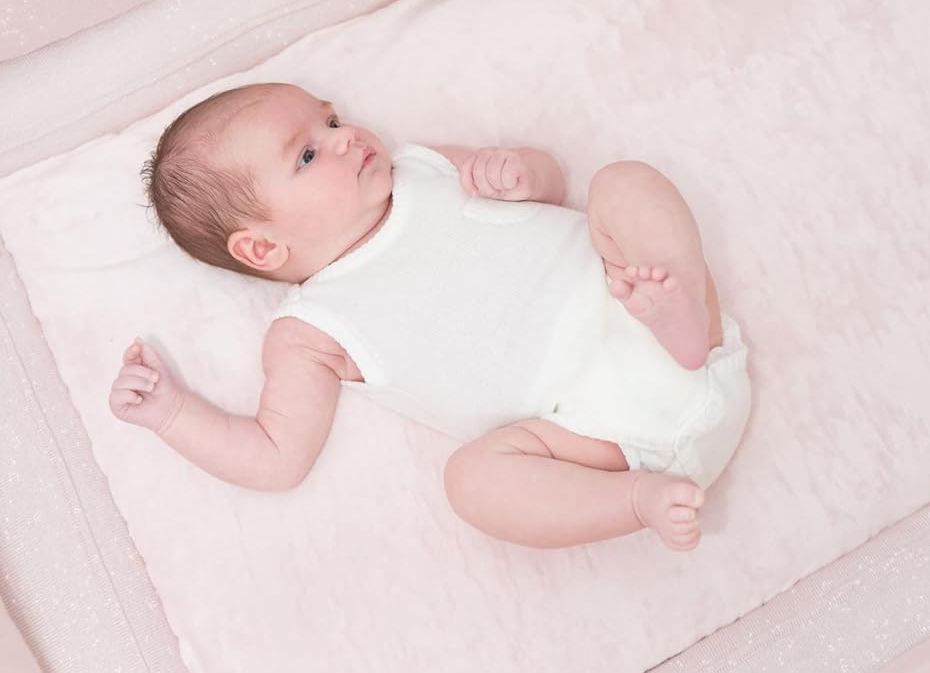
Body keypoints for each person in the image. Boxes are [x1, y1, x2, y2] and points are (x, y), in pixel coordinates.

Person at [109, 83, 750, 550]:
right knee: (471, 481)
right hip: (595, 438)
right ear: (261, 248)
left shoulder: (425, 166)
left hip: (639, 314)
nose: (344, 138)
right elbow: (276, 456)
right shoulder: (310, 330)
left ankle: (681, 319)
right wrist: (172, 413)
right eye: (307, 155)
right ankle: (634, 503)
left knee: (624, 183)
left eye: (330, 120)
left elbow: (552, 186)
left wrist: (521, 174)